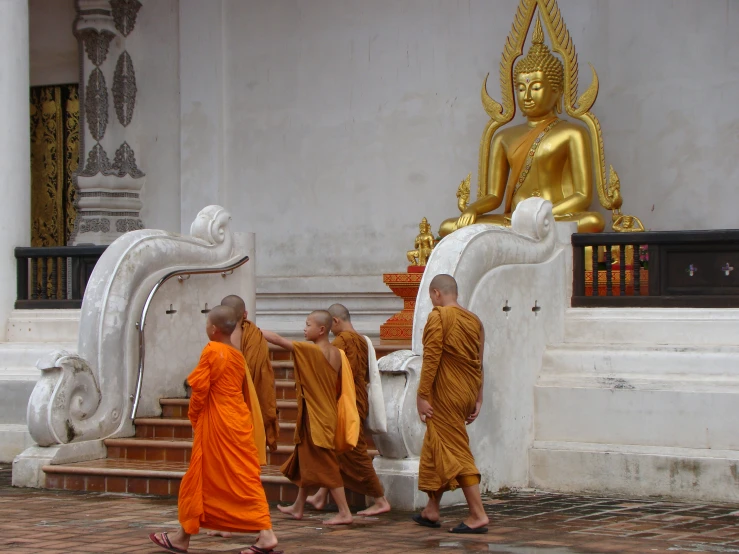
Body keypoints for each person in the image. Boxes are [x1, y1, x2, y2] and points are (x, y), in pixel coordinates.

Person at [149, 305, 280, 554]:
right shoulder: (236, 355)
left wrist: (195, 417)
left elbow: (200, 390)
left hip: (218, 420)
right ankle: (183, 536)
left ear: (213, 329)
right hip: (238, 419)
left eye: (206, 324)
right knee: (238, 476)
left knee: (203, 476)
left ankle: (266, 534)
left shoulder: (213, 350)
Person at [262, 310, 357, 525]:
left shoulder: (312, 351)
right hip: (323, 412)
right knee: (306, 457)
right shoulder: (336, 353)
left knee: (327, 464)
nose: (303, 329)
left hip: (318, 417)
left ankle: (344, 512)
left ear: (321, 330)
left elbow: (278, 340)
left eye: (307, 325)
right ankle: (298, 506)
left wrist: (251, 328)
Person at [412, 274, 489, 534]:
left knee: (456, 451)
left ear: (436, 293)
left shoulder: (439, 316)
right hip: (465, 391)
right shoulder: (474, 320)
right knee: (437, 445)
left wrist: (422, 396)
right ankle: (431, 510)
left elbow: (431, 358)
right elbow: (479, 362)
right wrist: (478, 397)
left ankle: (477, 514)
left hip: (446, 393)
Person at [306, 303, 391, 516]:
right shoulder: (361, 340)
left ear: (335, 321)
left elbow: (336, 372)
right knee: (337, 448)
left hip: (348, 401)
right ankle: (320, 495)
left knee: (354, 451)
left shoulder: (344, 341)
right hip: (356, 398)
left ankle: (380, 500)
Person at [221, 294, 279, 451]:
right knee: (248, 447)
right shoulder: (256, 334)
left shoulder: (219, 340)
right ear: (245, 314)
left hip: (228, 401)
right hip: (252, 399)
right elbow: (276, 339)